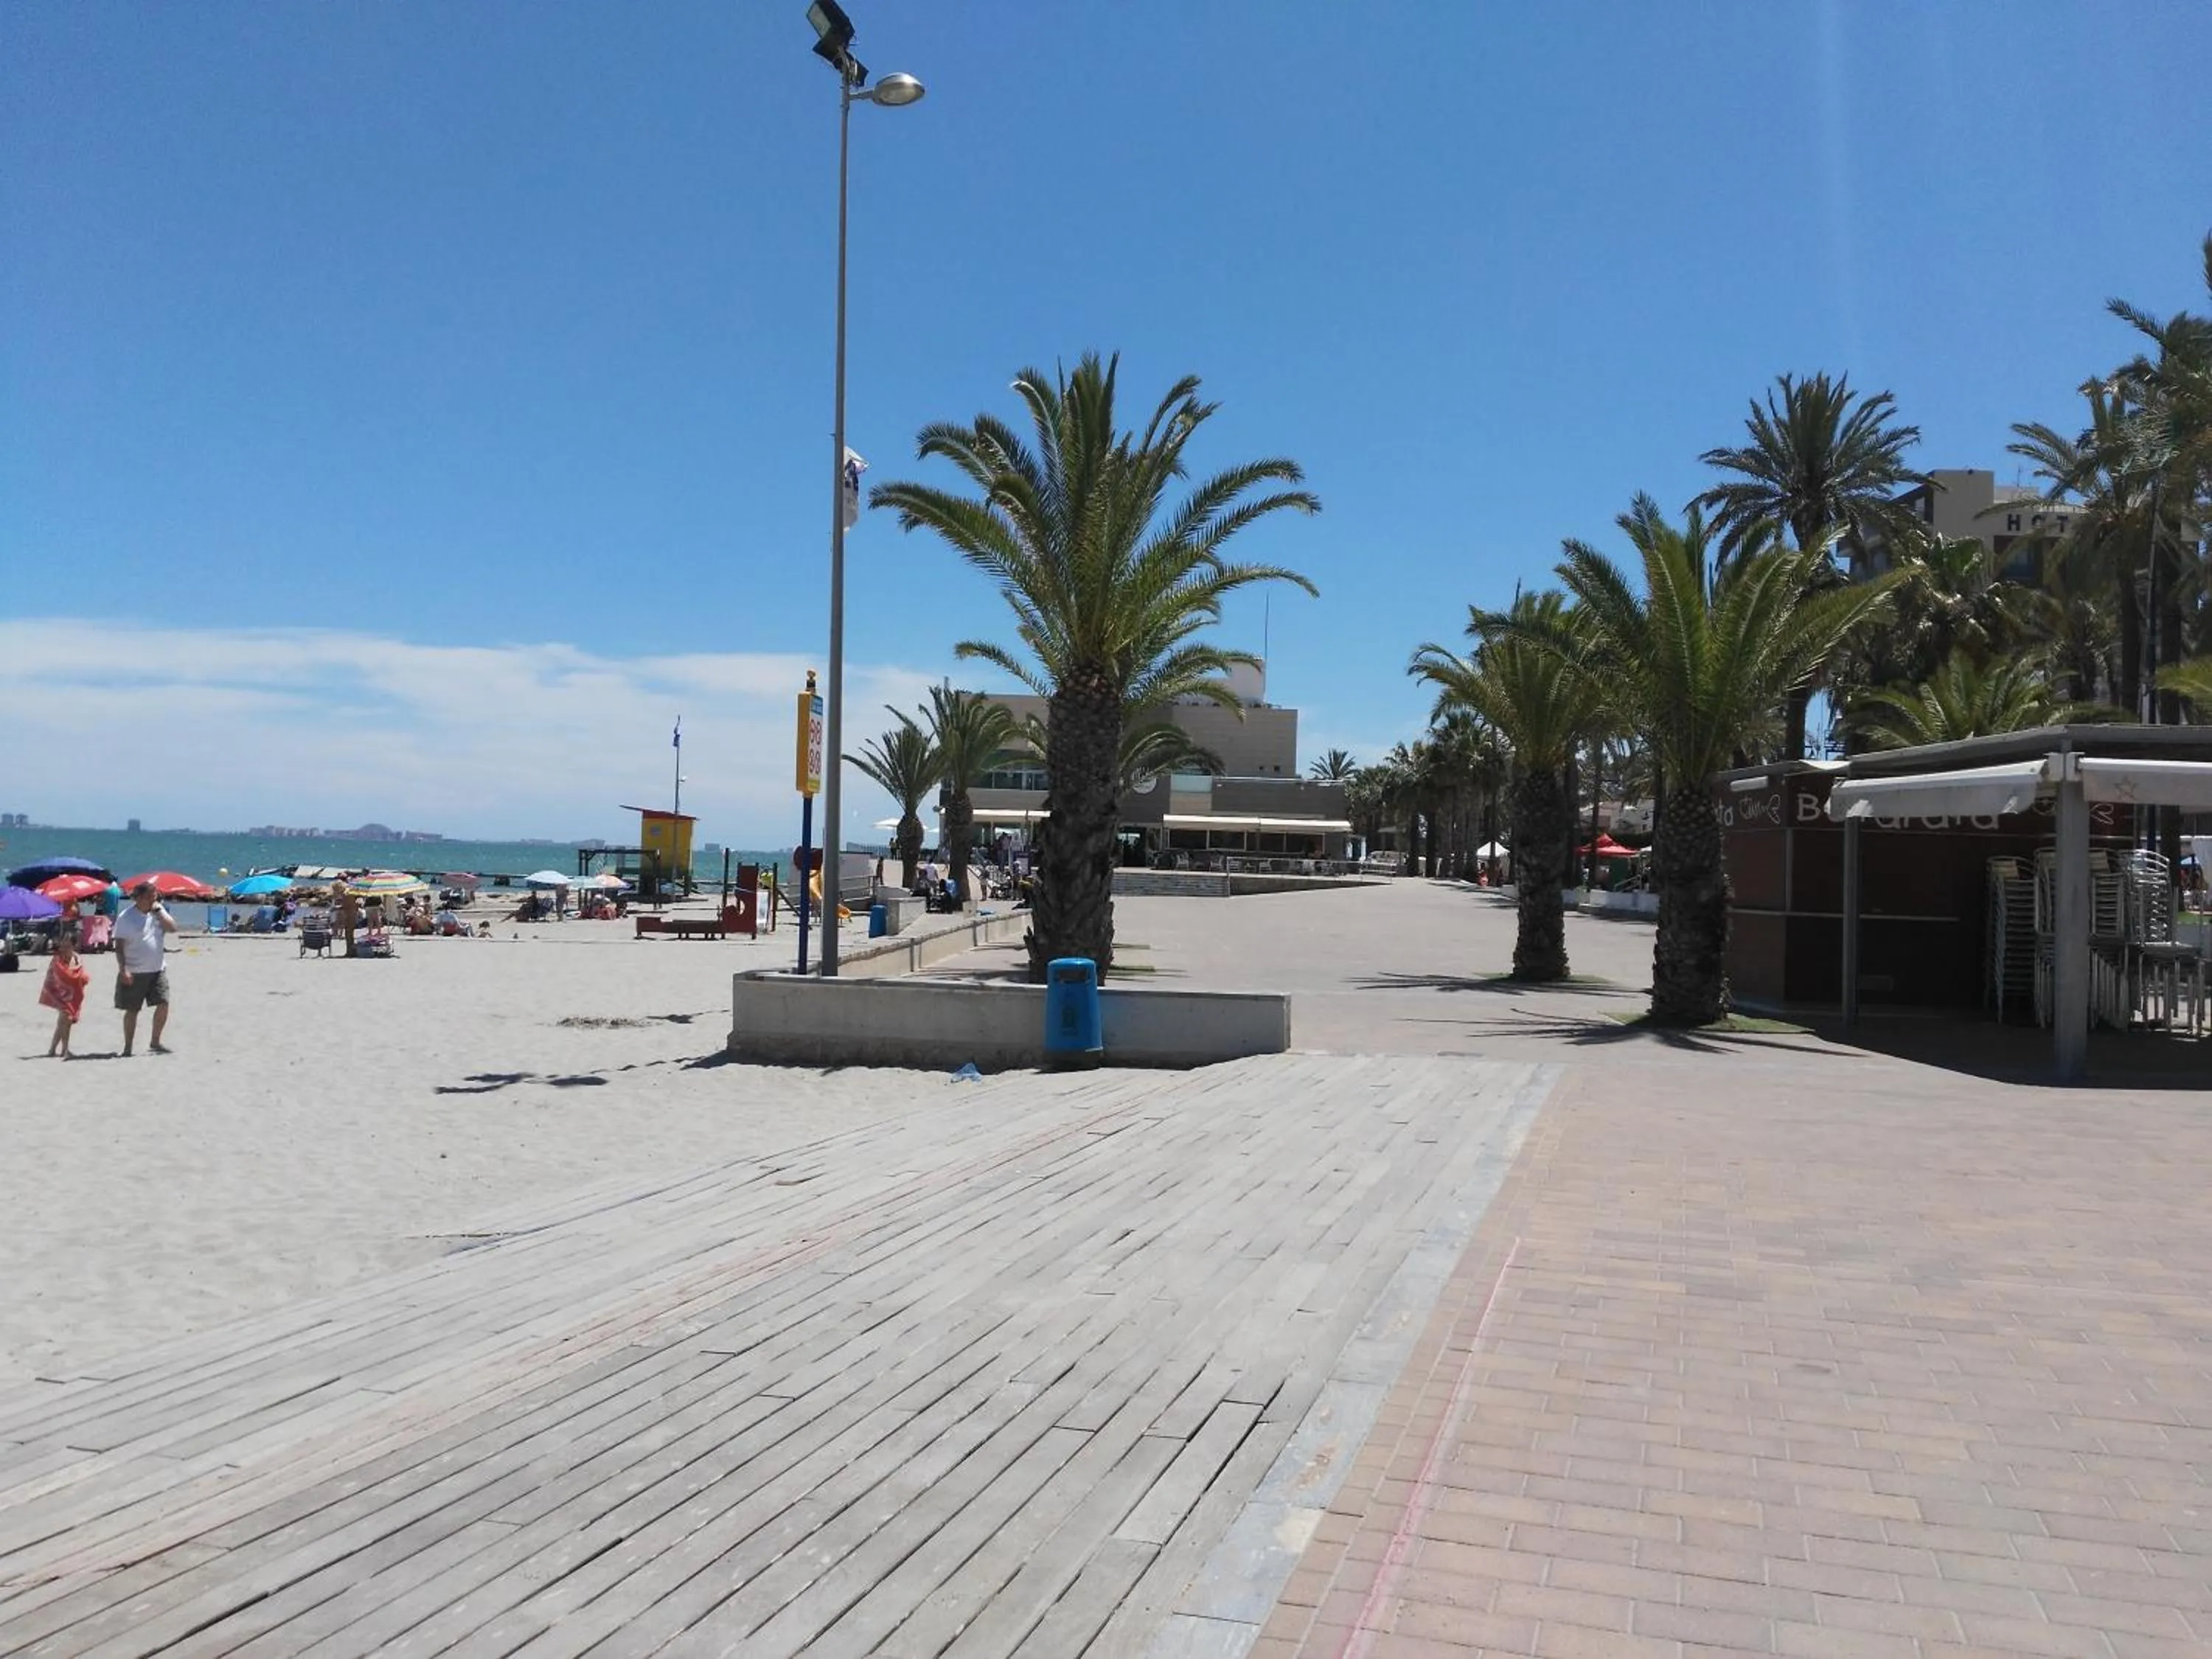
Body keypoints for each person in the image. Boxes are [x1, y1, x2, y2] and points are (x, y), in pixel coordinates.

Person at [114, 881, 178, 1055]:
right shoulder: (126, 917)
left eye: (155, 897)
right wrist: (123, 969)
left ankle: (155, 1042)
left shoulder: (158, 913)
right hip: (135, 970)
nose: (153, 901)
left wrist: (160, 911)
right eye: (150, 897)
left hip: (157, 969)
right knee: (132, 1009)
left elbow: (173, 928)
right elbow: (119, 946)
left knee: (163, 1003)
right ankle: (128, 1047)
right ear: (140, 898)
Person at [41, 933, 90, 1058]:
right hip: (58, 992)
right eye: (63, 944)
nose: (65, 947)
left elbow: (79, 975)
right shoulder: (57, 959)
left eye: (68, 945)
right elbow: (60, 976)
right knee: (66, 1019)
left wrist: (81, 979)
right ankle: (65, 1050)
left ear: (74, 946)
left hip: (73, 994)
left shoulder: (77, 959)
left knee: (63, 1022)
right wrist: (75, 979)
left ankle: (52, 1050)